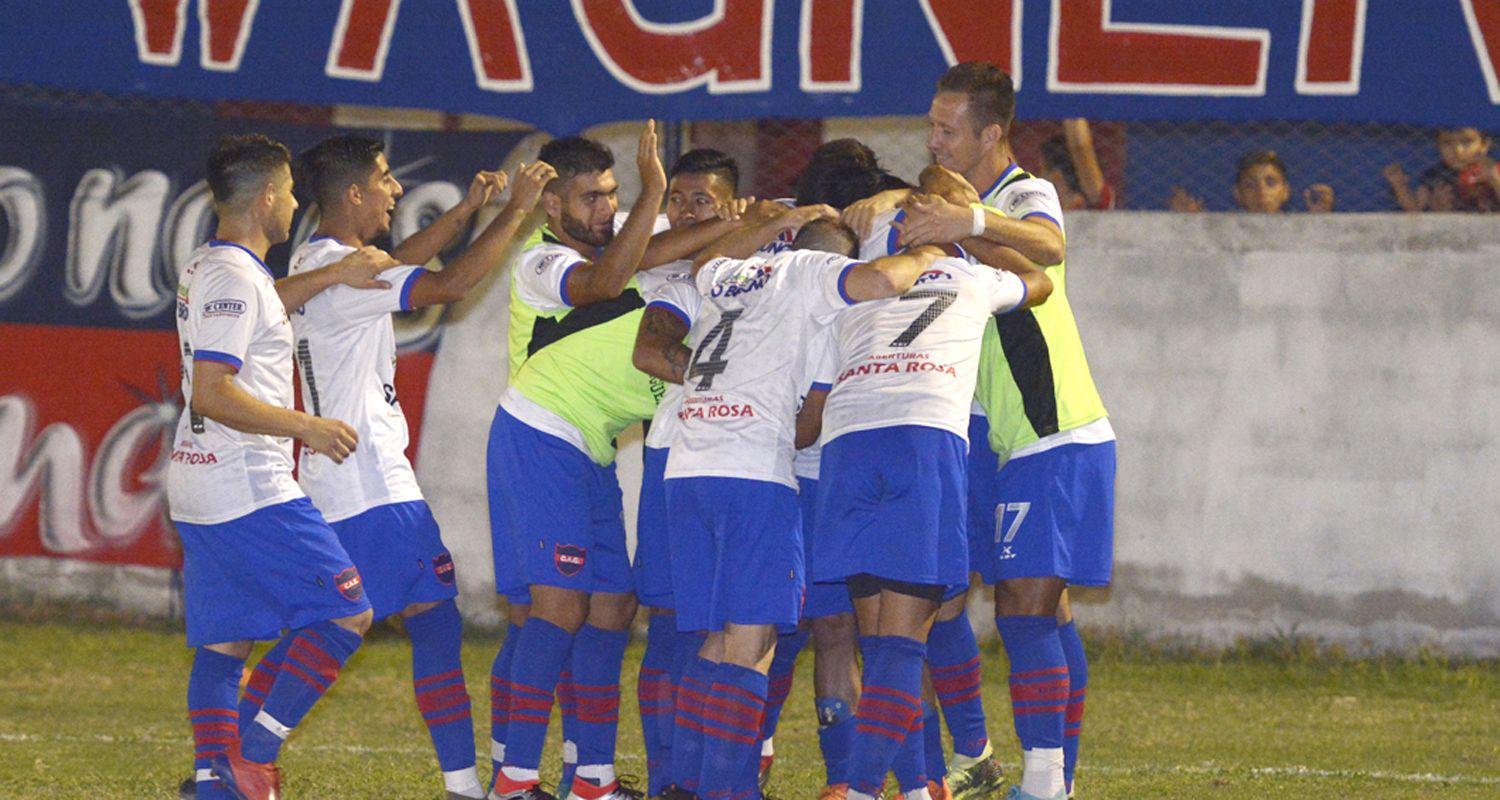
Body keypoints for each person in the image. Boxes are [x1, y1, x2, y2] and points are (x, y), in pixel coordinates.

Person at [279, 133, 554, 800]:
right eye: (383, 179)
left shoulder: (321, 261)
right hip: (371, 479)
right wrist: (514, 213)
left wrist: (465, 212)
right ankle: (246, 753)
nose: (394, 189)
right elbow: (452, 283)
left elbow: (398, 263)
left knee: (374, 622)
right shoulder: (341, 267)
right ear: (353, 194)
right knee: (398, 623)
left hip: (344, 477)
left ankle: (238, 757)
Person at [486, 123, 746, 800]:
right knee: (559, 606)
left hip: (590, 448)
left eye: (611, 194)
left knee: (610, 608)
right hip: (540, 433)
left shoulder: (631, 243)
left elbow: (672, 242)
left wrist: (743, 220)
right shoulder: (540, 264)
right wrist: (655, 188)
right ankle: (513, 781)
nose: (605, 209)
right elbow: (605, 282)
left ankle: (591, 779)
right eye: (590, 198)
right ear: (552, 205)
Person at [662, 211, 956, 800]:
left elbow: (701, 262)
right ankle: (726, 792)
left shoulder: (726, 274)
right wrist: (928, 258)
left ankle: (684, 783)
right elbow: (880, 282)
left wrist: (783, 218)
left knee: (717, 638)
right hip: (753, 473)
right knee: (753, 642)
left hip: (686, 466)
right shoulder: (813, 279)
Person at [171, 133, 397, 800]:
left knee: (226, 642)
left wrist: (330, 275)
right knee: (348, 610)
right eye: (291, 192)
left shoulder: (214, 267)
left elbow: (263, 302)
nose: (296, 202)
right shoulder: (237, 281)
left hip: (202, 478)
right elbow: (211, 390)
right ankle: (255, 753)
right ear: (268, 196)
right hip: (246, 483)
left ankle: (215, 784)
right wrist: (309, 427)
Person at [627, 147, 747, 797]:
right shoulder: (671, 273)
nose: (682, 212)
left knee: (741, 623)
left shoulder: (767, 271)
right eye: (676, 199)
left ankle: (723, 770)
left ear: (731, 203)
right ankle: (670, 779)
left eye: (701, 200)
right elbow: (652, 349)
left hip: (755, 464)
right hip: (677, 454)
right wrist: (721, 386)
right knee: (675, 621)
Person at [1169, 150, 1335, 214]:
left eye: (1270, 182)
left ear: (1286, 191)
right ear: (1237, 194)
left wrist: (1320, 222)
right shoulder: (1224, 228)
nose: (1261, 191)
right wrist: (1189, 223)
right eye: (1250, 185)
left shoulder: (1300, 230)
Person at [1384, 127, 1500, 212]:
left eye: (1466, 142)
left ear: (1484, 145)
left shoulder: (1494, 169)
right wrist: (1400, 186)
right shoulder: (1436, 174)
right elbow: (1415, 208)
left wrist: (1494, 181)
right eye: (1448, 143)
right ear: (1438, 146)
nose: (1457, 150)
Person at [1036, 120, 1115, 211]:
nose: (1038, 178)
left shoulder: (1092, 203)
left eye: (1043, 172)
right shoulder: (1045, 212)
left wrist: (1073, 108)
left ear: (1056, 176)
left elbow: (1080, 148)